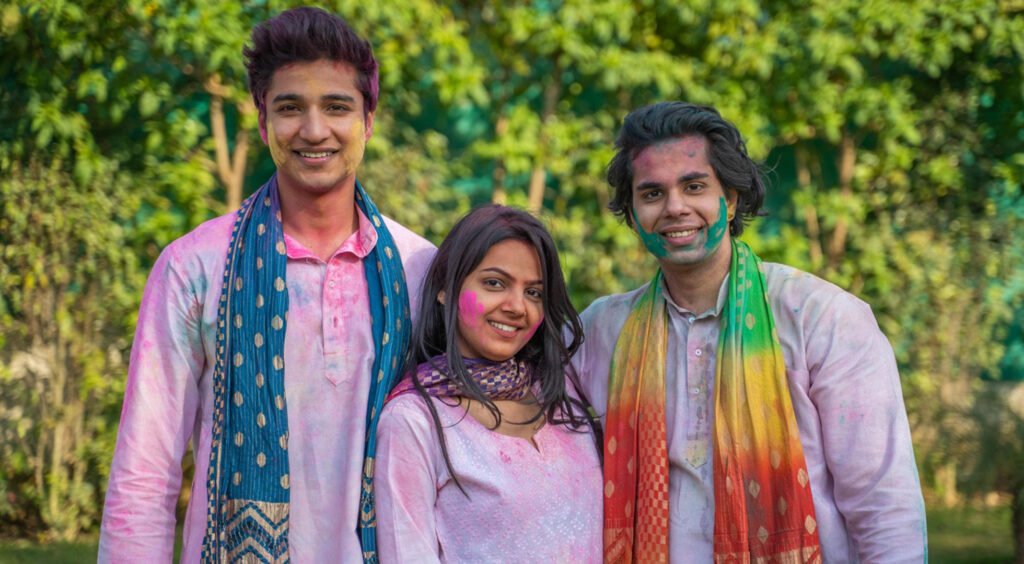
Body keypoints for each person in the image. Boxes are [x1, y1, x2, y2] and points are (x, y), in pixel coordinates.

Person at [99, 7, 435, 562]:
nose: (314, 129)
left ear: (368, 122)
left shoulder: (420, 269)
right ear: (262, 123)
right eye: (289, 107)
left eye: (337, 107)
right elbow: (145, 471)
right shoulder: (194, 267)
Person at [573, 102, 927, 563]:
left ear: (732, 198)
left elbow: (883, 504)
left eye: (694, 186)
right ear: (633, 212)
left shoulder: (820, 318)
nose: (675, 207)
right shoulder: (602, 331)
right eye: (652, 193)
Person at [374, 205, 603, 563]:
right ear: (445, 289)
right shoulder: (414, 421)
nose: (517, 307)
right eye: (495, 283)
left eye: (534, 292)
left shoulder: (558, 392)